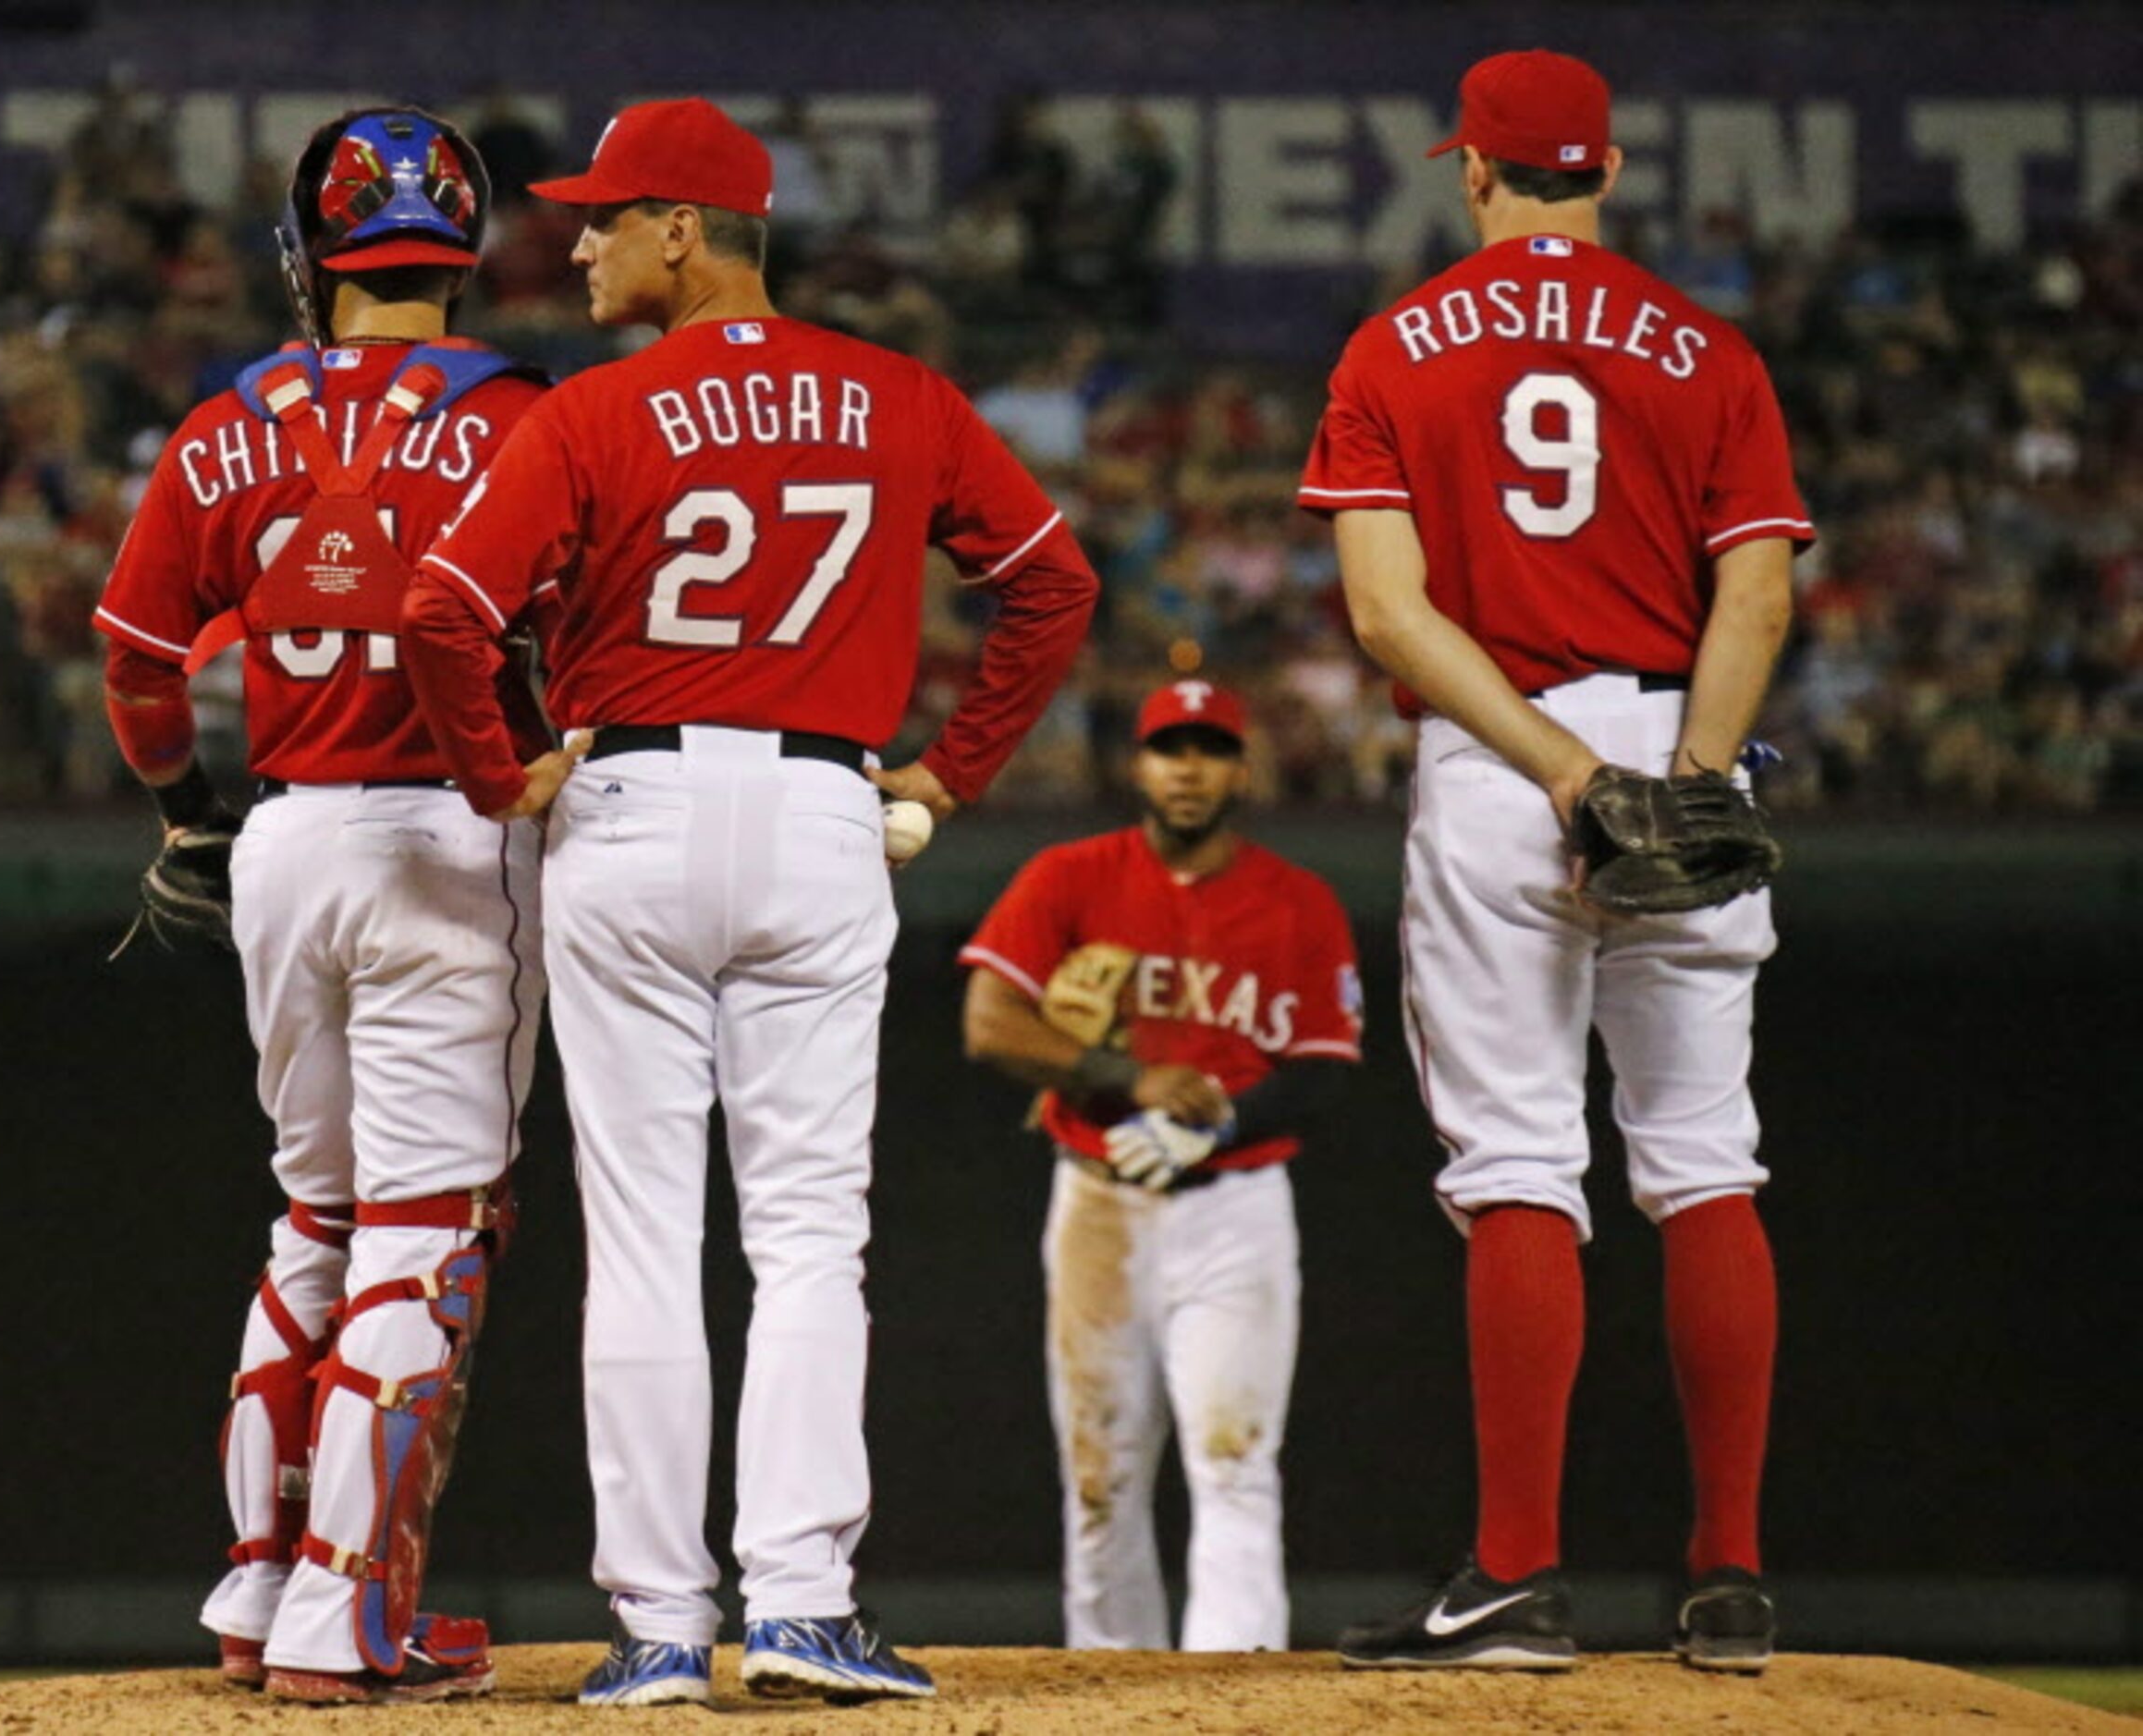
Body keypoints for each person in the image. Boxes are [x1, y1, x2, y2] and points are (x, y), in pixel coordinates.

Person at [397, 97, 1100, 1708]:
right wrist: (945, 775)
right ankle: (798, 1606)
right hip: (817, 808)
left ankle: (656, 1628)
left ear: (685, 232)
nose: (573, 242)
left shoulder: (593, 410)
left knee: (643, 1241)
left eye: (603, 216)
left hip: (631, 803)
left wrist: (502, 772)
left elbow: (444, 609)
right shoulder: (901, 394)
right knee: (804, 1236)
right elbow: (1053, 583)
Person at [1298, 51, 1806, 1673]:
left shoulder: (1394, 344)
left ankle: (1515, 1573)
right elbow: (1760, 595)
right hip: (1676, 731)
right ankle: (1726, 1574)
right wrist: (1694, 777)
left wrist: (1567, 774)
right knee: (1704, 1157)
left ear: (1472, 173)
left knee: (1520, 1161)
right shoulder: (1709, 352)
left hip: (1507, 758)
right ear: (1603, 174)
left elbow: (1385, 612)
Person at [90, 106, 550, 1706]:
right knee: (427, 1229)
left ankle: (257, 1579)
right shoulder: (514, 415)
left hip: (284, 831)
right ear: (465, 246)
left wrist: (183, 811)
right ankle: (350, 1611)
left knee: (318, 1213)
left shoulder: (224, 422)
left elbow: (140, 664)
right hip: (446, 827)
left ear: (310, 253)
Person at [957, 680, 1360, 1653]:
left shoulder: (1299, 901)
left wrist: (1218, 1124)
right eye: (1168, 748)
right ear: (1135, 764)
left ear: (1240, 766)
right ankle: (1110, 1692)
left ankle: (1236, 1703)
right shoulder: (1069, 875)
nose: (1187, 768)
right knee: (1099, 1474)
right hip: (1098, 1198)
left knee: (1233, 1461)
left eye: (1209, 748)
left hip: (1237, 1206)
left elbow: (1324, 1063)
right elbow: (987, 1024)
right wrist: (1124, 1076)